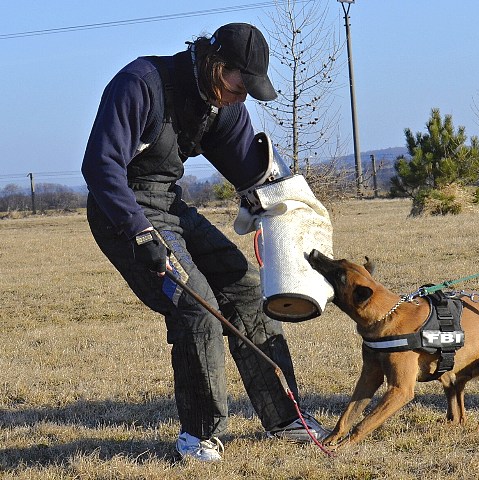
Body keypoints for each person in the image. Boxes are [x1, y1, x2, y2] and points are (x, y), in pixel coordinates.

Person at [81, 22, 327, 462]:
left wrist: (293, 211)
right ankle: (200, 435)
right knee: (195, 305)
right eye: (241, 83)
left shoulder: (222, 105)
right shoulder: (140, 85)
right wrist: (139, 232)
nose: (245, 95)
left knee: (246, 287)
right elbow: (100, 167)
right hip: (121, 213)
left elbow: (253, 169)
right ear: (217, 66)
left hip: (171, 206)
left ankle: (285, 416)